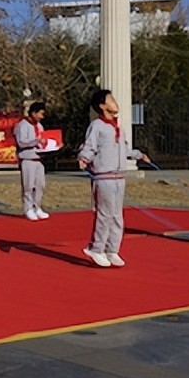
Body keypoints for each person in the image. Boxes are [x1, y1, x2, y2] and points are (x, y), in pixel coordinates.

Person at [77, 89, 150, 267]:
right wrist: (84, 158)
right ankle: (96, 248)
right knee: (104, 214)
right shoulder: (97, 126)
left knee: (117, 216)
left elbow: (123, 150)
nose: (115, 102)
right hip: (104, 177)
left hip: (119, 177)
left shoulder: (117, 127)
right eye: (110, 99)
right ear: (102, 106)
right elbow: (90, 145)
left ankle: (112, 250)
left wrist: (139, 155)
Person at [14, 101, 50, 221]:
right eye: (40, 113)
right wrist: (35, 141)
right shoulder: (22, 125)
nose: (42, 116)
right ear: (34, 113)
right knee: (28, 185)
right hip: (27, 158)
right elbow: (21, 142)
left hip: (39, 158)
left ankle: (37, 206)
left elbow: (44, 139)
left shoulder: (39, 126)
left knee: (40, 184)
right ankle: (28, 208)